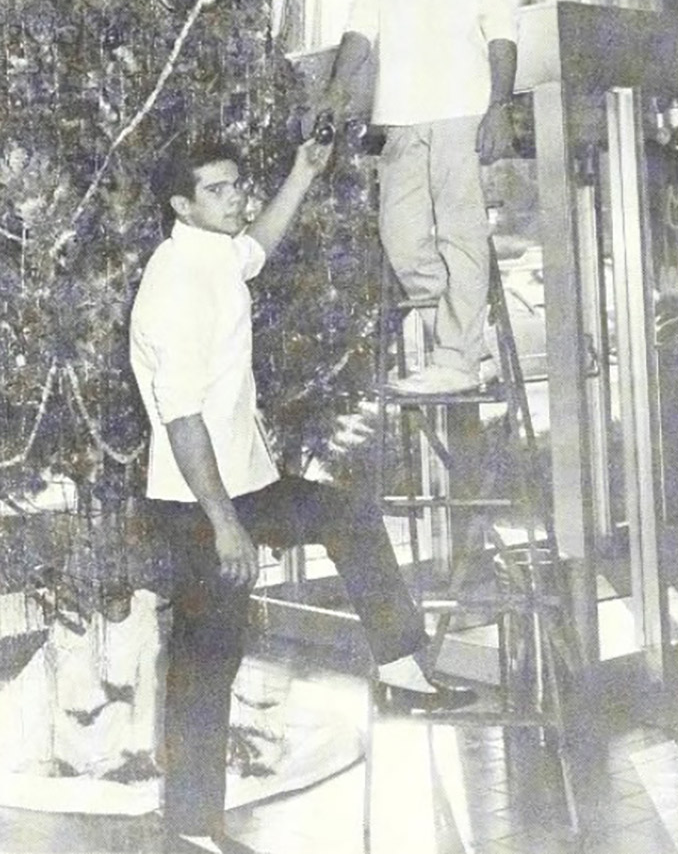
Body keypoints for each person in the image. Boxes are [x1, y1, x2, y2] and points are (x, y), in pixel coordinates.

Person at [130, 134, 475, 854]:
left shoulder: (213, 253)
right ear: (181, 205)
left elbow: (257, 245)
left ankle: (402, 669)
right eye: (219, 190)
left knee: (347, 516)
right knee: (207, 658)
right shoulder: (177, 287)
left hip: (245, 482)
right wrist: (227, 528)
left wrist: (301, 172)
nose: (237, 198)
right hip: (198, 502)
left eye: (236, 184)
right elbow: (181, 418)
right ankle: (192, 831)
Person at [319, 0, 526, 395]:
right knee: (402, 238)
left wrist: (500, 106)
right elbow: (363, 23)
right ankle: (464, 344)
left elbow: (501, 30)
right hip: (400, 113)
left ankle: (456, 355)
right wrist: (337, 89)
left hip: (462, 106)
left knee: (460, 234)